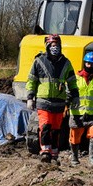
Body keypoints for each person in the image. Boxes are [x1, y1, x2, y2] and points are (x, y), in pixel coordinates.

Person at [25, 34, 78, 164]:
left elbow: (72, 81)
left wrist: (75, 97)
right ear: (48, 46)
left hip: (59, 103)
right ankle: (45, 152)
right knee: (45, 126)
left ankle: (54, 153)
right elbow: (32, 80)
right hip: (44, 101)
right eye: (52, 45)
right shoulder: (39, 61)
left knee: (56, 129)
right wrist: (30, 97)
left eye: (57, 45)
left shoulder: (66, 63)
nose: (55, 48)